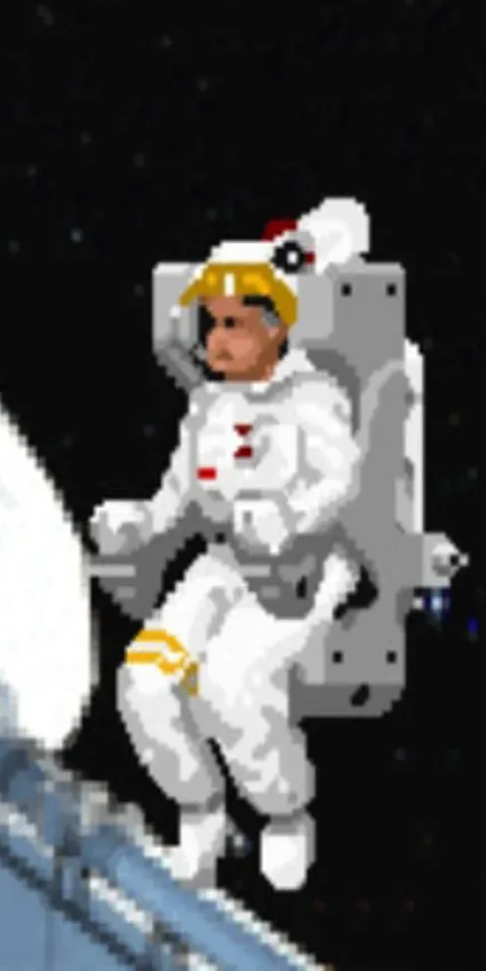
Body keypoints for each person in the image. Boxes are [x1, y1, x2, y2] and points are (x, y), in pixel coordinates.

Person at [91, 199, 371, 891]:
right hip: (225, 566)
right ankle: (201, 809)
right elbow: (175, 498)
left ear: (275, 328)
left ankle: (283, 813)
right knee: (145, 681)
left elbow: (340, 482)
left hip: (301, 572)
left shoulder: (313, 398)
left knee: (229, 686)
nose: (215, 340)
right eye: (211, 324)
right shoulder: (209, 410)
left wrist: (286, 516)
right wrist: (134, 524)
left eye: (233, 325)